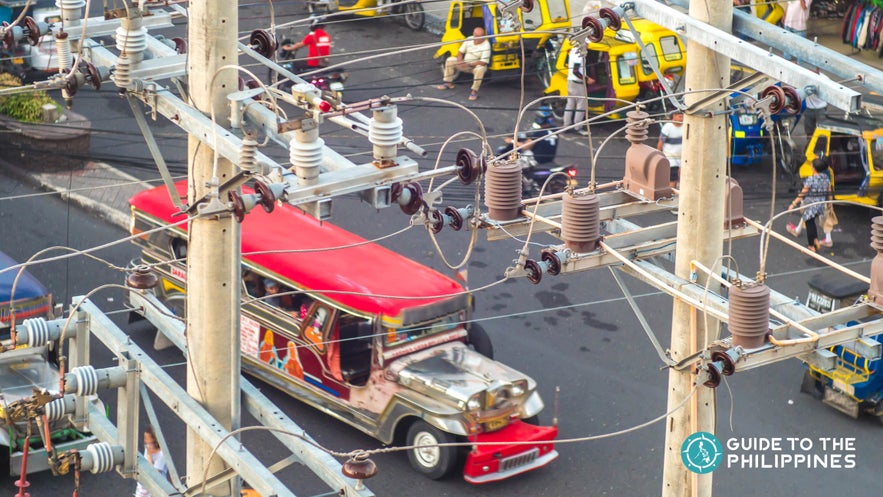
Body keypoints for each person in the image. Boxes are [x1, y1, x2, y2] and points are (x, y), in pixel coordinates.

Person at [788, 158, 832, 252]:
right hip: (820, 205)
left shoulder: (811, 179)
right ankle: (815, 240)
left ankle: (811, 246)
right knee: (811, 222)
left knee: (809, 224)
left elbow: (803, 193)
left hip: (811, 205)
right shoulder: (825, 178)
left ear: (814, 168)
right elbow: (829, 192)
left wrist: (793, 203)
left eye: (812, 165)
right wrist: (830, 204)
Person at [436, 27, 491, 101]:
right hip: (465, 63)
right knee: (450, 60)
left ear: (483, 37)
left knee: (480, 69)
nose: (476, 38)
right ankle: (448, 83)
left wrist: (469, 65)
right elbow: (460, 52)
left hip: (475, 66)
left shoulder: (486, 45)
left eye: (479, 37)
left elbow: (483, 62)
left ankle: (474, 92)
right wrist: (460, 61)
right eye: (475, 36)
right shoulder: (469, 39)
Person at [134, 426, 168, 497]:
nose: (146, 441)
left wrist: (149, 456)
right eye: (145, 438)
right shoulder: (148, 447)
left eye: (148, 439)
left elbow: (154, 474)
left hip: (155, 490)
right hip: (143, 489)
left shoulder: (162, 454)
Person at [564, 45, 590, 136]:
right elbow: (576, 71)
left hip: (570, 82)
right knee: (581, 105)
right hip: (578, 83)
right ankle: (578, 127)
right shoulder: (579, 53)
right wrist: (587, 79)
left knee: (570, 104)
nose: (588, 46)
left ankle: (566, 125)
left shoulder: (573, 50)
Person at [657, 111, 684, 188]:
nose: (682, 119)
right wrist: (658, 155)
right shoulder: (667, 127)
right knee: (673, 179)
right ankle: (672, 195)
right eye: (680, 117)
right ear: (674, 116)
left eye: (683, 117)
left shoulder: (686, 126)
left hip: (683, 158)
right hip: (671, 158)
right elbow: (661, 142)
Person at [802, 67, 829, 138]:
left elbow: (829, 94)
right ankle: (809, 143)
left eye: (813, 70)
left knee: (822, 128)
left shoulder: (825, 79)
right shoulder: (805, 76)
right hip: (809, 107)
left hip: (821, 107)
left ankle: (820, 144)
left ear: (818, 69)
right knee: (809, 128)